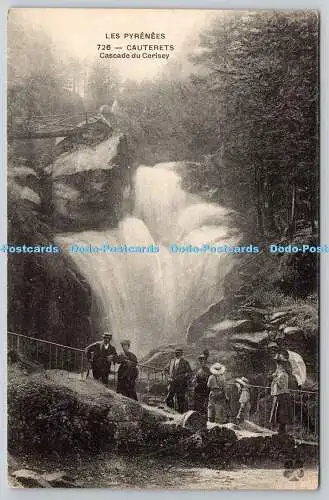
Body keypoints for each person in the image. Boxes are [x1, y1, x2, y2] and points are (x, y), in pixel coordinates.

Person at [164, 347, 192, 413]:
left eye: (178, 353)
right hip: (172, 383)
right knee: (168, 399)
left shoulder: (185, 362)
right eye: (176, 353)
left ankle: (180, 414)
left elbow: (189, 372)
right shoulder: (171, 361)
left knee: (180, 401)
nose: (177, 354)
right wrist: (168, 378)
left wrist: (182, 377)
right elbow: (165, 370)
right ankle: (171, 412)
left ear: (182, 354)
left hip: (181, 384)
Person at [269, 352, 291, 434]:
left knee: (281, 413)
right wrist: (275, 377)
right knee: (277, 412)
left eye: (279, 363)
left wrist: (275, 379)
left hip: (282, 396)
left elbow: (281, 386)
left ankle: (282, 430)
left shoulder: (284, 375)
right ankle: (279, 429)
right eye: (277, 363)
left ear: (282, 365)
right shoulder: (279, 374)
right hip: (278, 395)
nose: (277, 365)